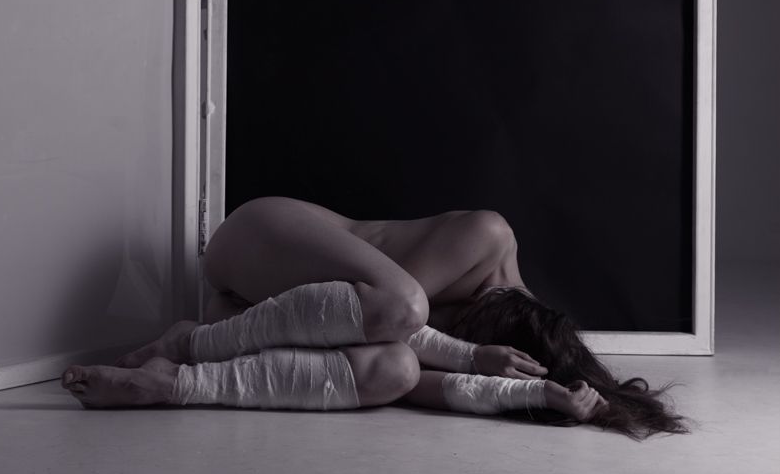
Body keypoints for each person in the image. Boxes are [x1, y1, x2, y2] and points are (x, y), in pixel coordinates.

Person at [62, 196, 688, 438]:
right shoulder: (486, 238)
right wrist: (475, 359)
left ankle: (178, 380)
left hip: (245, 310)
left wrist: (540, 395)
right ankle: (188, 348)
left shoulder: (484, 320)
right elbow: (388, 325)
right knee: (403, 310)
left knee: (391, 368)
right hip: (257, 239)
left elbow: (405, 374)